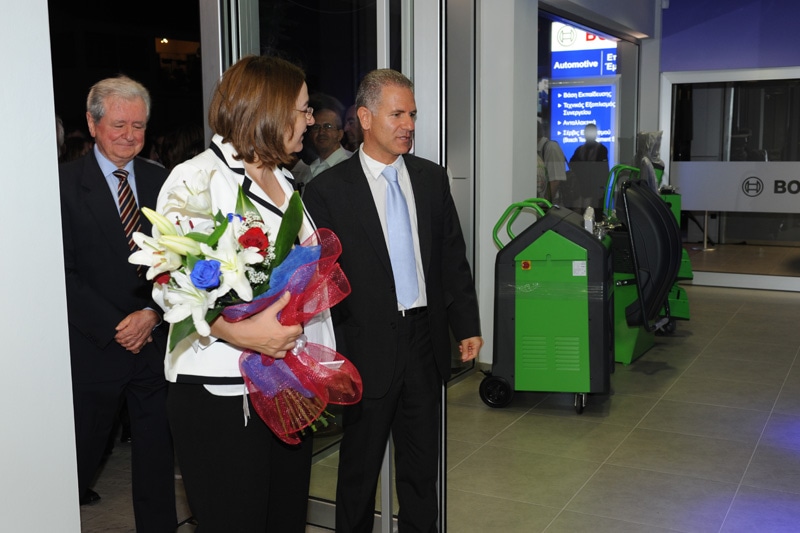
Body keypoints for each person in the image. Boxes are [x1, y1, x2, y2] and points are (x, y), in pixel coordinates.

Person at [157, 55, 332, 532]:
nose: (310, 120)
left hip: (285, 383)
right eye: (303, 109)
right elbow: (169, 284)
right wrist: (242, 334)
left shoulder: (286, 181)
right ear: (269, 111)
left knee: (284, 519)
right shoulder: (196, 179)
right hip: (221, 392)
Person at [304, 69, 483, 532]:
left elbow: (452, 257)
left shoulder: (430, 179)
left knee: (422, 470)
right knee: (358, 472)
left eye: (413, 115)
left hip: (423, 341)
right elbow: (321, 280)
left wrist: (466, 324)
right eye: (397, 114)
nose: (409, 125)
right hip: (364, 347)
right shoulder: (327, 191)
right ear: (365, 118)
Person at [59, 75, 177, 531]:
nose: (130, 135)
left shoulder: (162, 180)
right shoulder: (62, 185)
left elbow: (181, 258)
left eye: (139, 126)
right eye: (119, 125)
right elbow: (61, 272)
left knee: (157, 457)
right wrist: (116, 325)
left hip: (153, 343)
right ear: (93, 124)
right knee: (79, 458)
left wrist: (152, 313)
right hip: (94, 347)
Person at [569, 123, 609, 209]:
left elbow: (603, 171)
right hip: (582, 188)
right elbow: (572, 164)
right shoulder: (580, 150)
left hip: (595, 189)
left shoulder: (601, 149)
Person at [307, 104, 352, 178]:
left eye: (327, 126)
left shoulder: (352, 164)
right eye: (316, 127)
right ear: (310, 134)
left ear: (340, 134)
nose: (321, 132)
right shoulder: (309, 169)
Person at [537, 120, 567, 202]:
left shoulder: (551, 148)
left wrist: (545, 204)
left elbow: (555, 180)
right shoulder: (535, 150)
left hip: (551, 204)